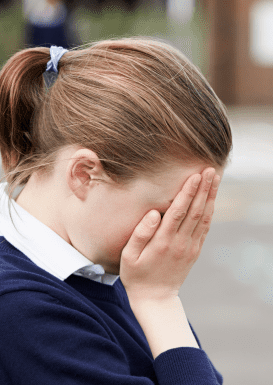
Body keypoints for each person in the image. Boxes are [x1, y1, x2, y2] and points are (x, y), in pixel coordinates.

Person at [0, 38, 232, 384]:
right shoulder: (23, 310)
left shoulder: (101, 267)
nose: (179, 237)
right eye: (171, 212)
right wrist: (159, 302)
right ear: (84, 175)